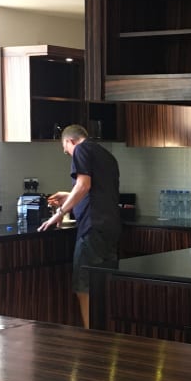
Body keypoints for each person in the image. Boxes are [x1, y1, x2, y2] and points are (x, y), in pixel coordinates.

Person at [38, 124, 120, 328]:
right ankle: (106, 335)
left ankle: (90, 336)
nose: (67, 153)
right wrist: (69, 196)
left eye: (66, 149)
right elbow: (97, 190)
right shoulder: (106, 155)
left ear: (70, 141)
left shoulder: (81, 149)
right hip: (110, 227)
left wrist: (59, 213)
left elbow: (84, 185)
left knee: (85, 286)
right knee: (104, 284)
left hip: (92, 228)